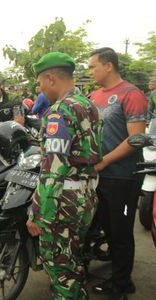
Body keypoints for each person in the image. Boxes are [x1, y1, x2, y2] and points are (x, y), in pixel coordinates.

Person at [26, 52, 102, 299]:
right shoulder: (89, 105)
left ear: (50, 78)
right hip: (86, 195)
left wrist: (39, 215)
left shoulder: (59, 112)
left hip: (62, 202)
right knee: (73, 259)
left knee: (60, 268)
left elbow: (53, 171)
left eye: (39, 82)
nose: (39, 88)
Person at [88, 47, 147, 299]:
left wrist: (102, 162)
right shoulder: (93, 96)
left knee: (121, 232)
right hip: (98, 176)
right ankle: (116, 274)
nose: (90, 71)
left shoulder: (131, 94)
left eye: (93, 66)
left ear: (108, 65)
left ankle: (122, 284)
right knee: (105, 229)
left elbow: (136, 139)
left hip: (123, 177)